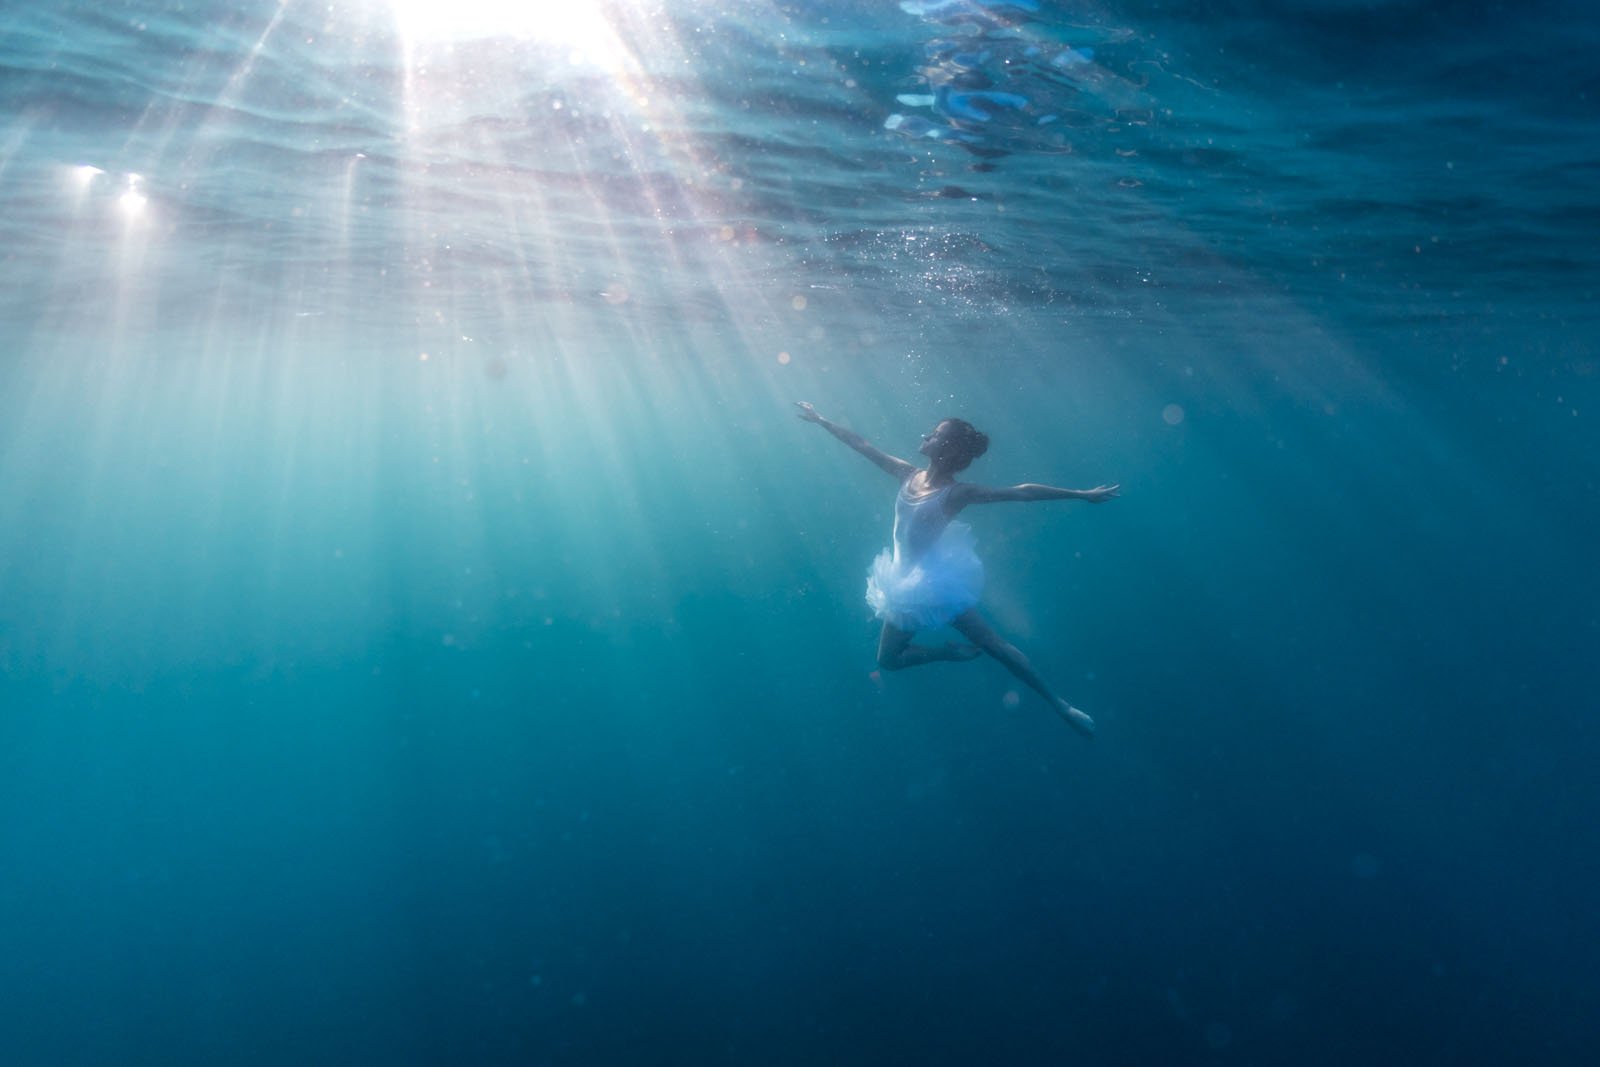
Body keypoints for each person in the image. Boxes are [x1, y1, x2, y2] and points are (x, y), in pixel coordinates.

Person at [796, 402, 1118, 736]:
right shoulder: (909, 474)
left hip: (929, 585)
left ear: (947, 449)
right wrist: (822, 421)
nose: (926, 435)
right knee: (910, 657)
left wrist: (1081, 494)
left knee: (982, 647)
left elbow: (1021, 493)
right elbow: (863, 447)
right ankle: (952, 655)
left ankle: (1060, 705)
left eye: (934, 434)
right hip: (911, 582)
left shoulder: (957, 493)